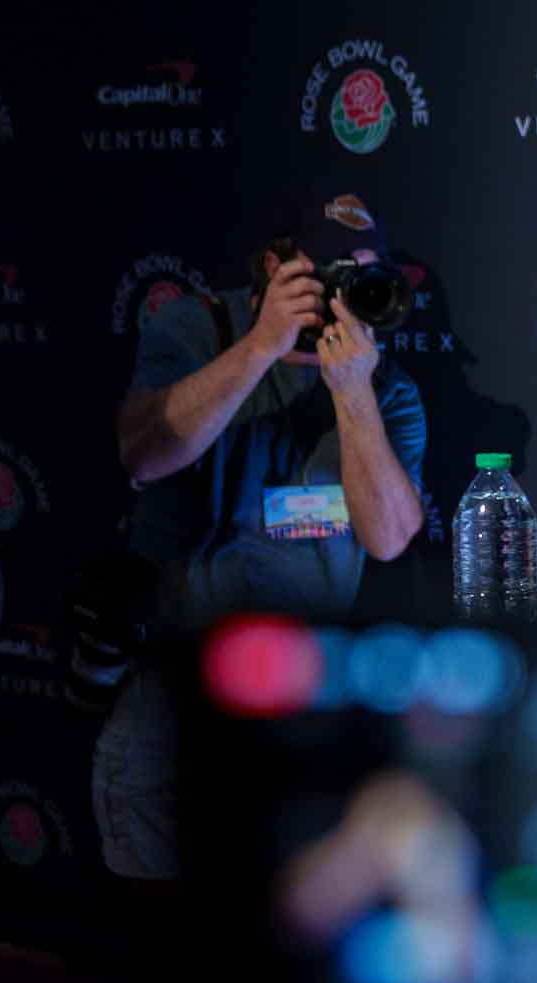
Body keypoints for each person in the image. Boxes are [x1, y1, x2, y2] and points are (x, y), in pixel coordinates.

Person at [94, 188, 428, 881]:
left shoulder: (381, 384)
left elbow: (390, 537)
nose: (342, 296)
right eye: (326, 275)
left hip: (306, 698)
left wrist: (353, 394)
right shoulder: (200, 327)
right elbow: (145, 453)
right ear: (277, 268)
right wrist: (262, 345)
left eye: (361, 276)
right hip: (183, 680)